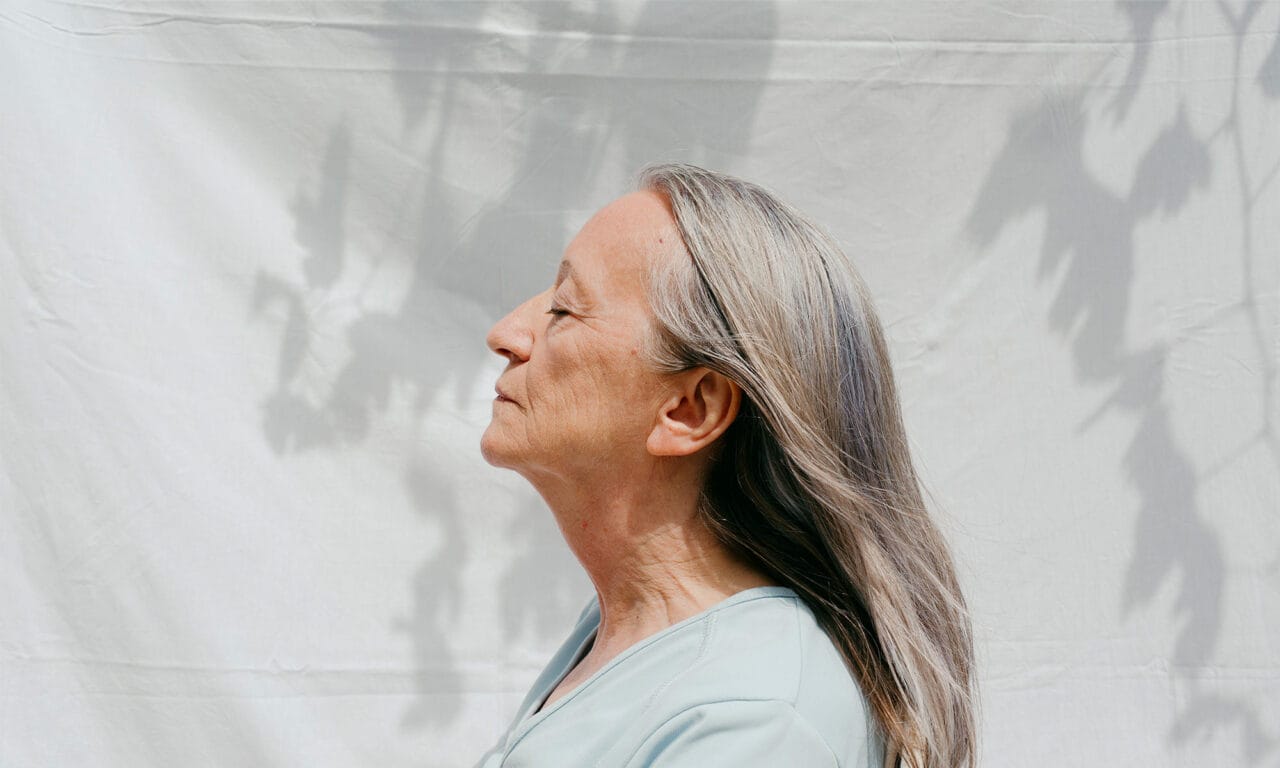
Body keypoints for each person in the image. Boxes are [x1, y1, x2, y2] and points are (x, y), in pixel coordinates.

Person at [475, 164, 976, 768]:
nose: (506, 334)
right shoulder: (634, 634)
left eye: (563, 308)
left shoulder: (754, 721)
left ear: (689, 409)